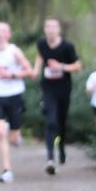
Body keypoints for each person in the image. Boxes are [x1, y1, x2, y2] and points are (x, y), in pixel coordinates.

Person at [0, 22, 35, 183]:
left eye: (3, 31)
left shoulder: (14, 51)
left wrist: (11, 75)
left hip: (14, 95)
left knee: (13, 138)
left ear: (9, 35)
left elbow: (30, 71)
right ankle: (7, 170)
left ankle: (15, 135)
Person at [33, 17, 81, 175]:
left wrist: (61, 66)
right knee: (50, 121)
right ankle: (50, 159)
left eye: (54, 27)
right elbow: (40, 57)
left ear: (58, 29)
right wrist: (35, 70)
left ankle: (61, 148)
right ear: (45, 29)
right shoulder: (41, 44)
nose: (51, 29)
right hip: (47, 89)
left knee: (61, 122)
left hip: (64, 89)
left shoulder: (67, 46)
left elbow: (78, 66)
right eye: (48, 26)